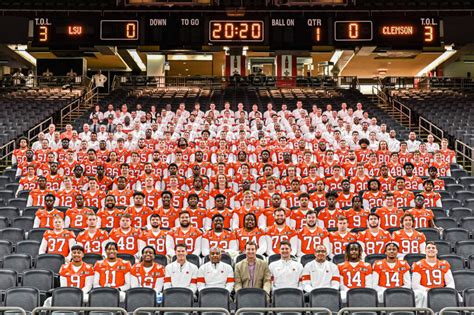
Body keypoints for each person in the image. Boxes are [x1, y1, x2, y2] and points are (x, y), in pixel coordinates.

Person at [412, 242, 455, 307]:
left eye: (433, 248)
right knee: (419, 294)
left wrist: (444, 290)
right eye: (428, 248)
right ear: (425, 251)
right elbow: (415, 285)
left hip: (441, 291)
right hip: (425, 292)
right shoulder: (418, 265)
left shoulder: (444, 264)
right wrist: (427, 290)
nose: (431, 249)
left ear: (436, 251)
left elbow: (451, 283)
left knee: (457, 296)